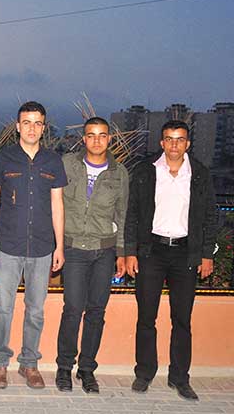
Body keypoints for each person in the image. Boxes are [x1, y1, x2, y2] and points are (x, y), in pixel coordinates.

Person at [125, 120, 217, 401]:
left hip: (185, 253)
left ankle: (179, 377)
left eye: (180, 139)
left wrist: (206, 254)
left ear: (187, 143)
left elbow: (210, 216)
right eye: (169, 139)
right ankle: (144, 373)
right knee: (146, 316)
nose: (174, 144)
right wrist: (130, 251)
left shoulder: (200, 174)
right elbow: (132, 213)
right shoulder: (146, 170)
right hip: (151, 251)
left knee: (182, 319)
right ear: (161, 142)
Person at [0, 101, 67, 389]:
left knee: (35, 310)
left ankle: (29, 363)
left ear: (44, 128)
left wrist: (59, 246)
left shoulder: (53, 161)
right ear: (18, 126)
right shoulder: (3, 158)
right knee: (3, 308)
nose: (32, 128)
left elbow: (57, 205)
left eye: (37, 123)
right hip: (8, 245)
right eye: (27, 122)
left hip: (42, 248)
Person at [55, 117, 129, 393]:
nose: (97, 140)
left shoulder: (119, 173)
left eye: (102, 135)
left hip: (104, 251)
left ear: (109, 139)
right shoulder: (67, 165)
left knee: (96, 311)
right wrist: (56, 245)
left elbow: (122, 215)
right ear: (83, 139)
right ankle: (64, 366)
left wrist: (121, 253)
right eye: (91, 135)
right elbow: (55, 205)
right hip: (73, 248)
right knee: (73, 309)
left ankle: (86, 369)